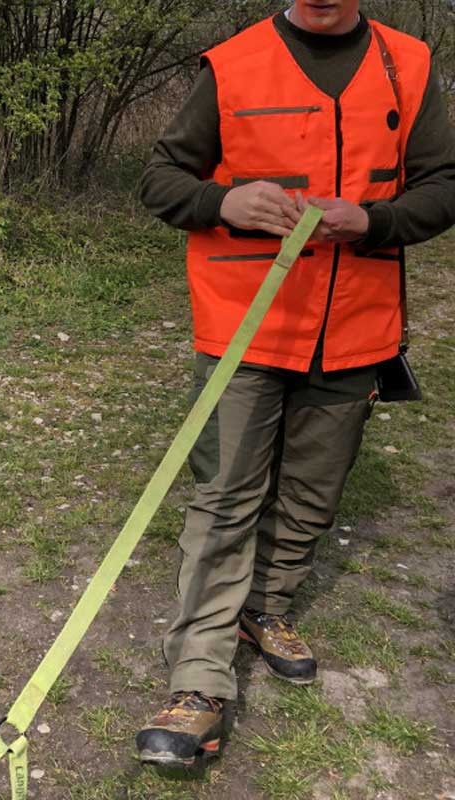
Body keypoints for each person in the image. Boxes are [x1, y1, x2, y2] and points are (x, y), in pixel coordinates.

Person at [135, 0, 455, 769]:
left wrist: (377, 221)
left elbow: (445, 182)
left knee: (313, 495)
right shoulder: (232, 62)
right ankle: (199, 682)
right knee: (225, 498)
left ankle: (265, 608)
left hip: (356, 327)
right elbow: (159, 178)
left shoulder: (409, 65)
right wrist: (224, 202)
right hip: (243, 330)